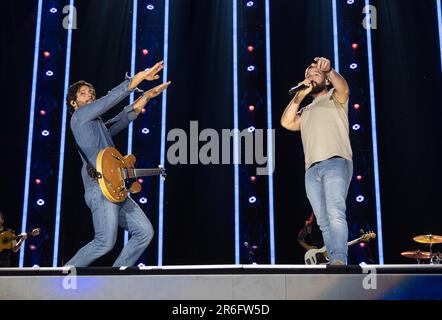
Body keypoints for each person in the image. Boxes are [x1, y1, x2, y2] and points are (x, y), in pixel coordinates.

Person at [64, 61, 171, 267]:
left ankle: (117, 276)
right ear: (73, 103)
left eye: (91, 92)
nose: (90, 95)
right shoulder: (79, 117)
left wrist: (146, 96)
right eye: (84, 93)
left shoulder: (97, 126)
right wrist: (136, 80)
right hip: (99, 188)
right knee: (104, 242)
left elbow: (121, 120)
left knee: (144, 232)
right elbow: (109, 100)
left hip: (115, 187)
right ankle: (62, 278)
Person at [281, 57, 352, 265]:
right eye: (307, 75)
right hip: (311, 170)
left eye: (315, 74)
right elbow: (286, 122)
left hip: (336, 162)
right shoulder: (306, 110)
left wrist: (329, 70)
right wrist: (299, 96)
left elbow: (344, 88)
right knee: (323, 221)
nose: (310, 78)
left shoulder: (334, 97)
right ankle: (332, 259)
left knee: (335, 212)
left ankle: (339, 260)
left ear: (326, 80)